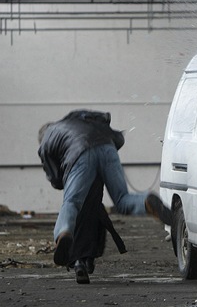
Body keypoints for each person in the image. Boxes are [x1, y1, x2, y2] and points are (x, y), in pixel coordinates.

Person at [38, 109, 172, 283]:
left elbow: (56, 179)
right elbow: (118, 139)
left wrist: (72, 179)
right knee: (122, 200)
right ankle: (146, 201)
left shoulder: (47, 140)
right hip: (108, 147)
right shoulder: (75, 122)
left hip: (81, 154)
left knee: (72, 202)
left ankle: (63, 233)